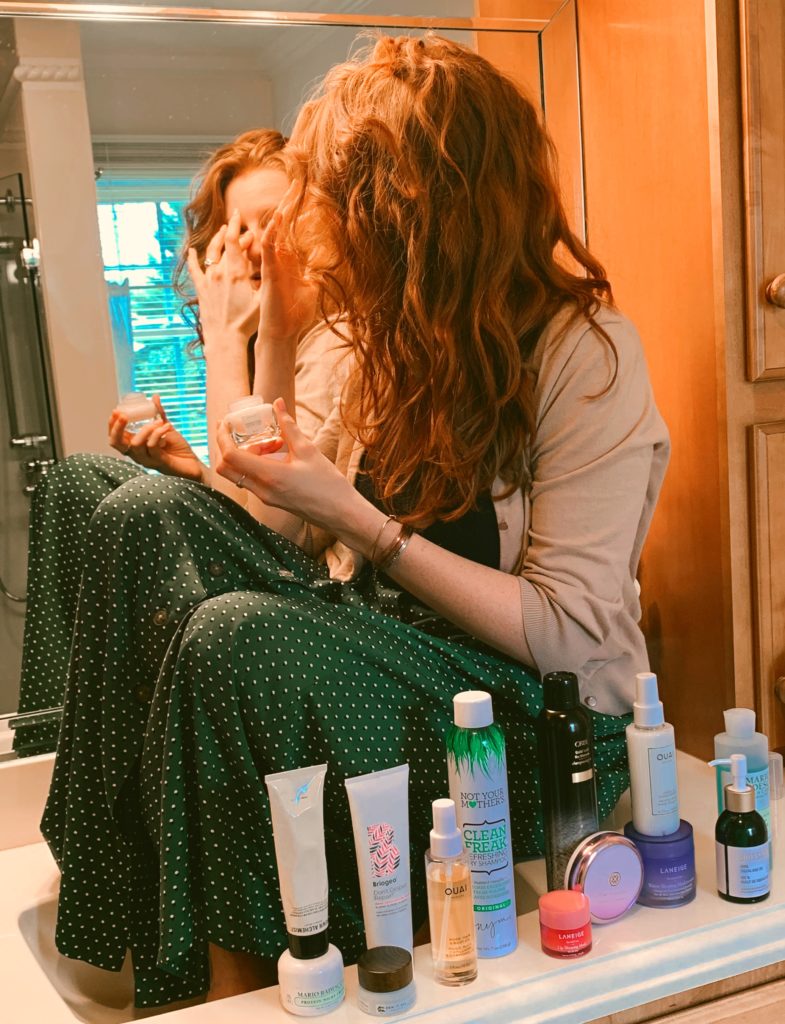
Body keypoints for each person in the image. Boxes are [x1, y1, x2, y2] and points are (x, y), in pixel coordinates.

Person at [36, 35, 669, 1009]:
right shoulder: (394, 343)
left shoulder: (584, 353)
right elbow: (284, 542)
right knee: (124, 506)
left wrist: (361, 519)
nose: (313, 228)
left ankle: (217, 984)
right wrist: (268, 468)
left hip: (527, 720)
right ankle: (114, 907)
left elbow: (565, 633)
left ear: (412, 216)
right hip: (377, 653)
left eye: (333, 203)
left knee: (231, 637)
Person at [15, 129, 346, 748]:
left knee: (103, 494)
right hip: (259, 552)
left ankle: (71, 753)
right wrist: (191, 471)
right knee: (75, 481)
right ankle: (56, 740)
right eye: (236, 228)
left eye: (270, 221)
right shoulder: (261, 340)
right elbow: (238, 504)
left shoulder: (333, 345)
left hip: (304, 590)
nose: (251, 246)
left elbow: (270, 532)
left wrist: (223, 345)